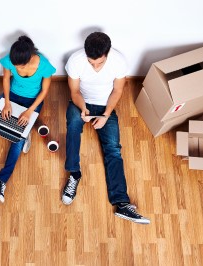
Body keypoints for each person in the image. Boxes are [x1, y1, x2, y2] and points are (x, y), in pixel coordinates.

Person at [61, 32, 150, 224]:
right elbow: (75, 91)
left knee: (113, 149)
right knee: (74, 127)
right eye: (91, 62)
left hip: (105, 107)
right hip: (81, 102)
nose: (94, 66)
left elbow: (118, 90)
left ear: (107, 54)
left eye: (98, 63)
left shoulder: (118, 61)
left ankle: (122, 203)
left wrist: (106, 115)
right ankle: (74, 174)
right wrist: (83, 108)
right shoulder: (76, 60)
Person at [0, 35, 56, 203]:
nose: (16, 69)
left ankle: (2, 180)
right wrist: (6, 102)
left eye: (19, 66)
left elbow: (44, 92)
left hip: (32, 103)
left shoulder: (45, 66)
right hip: (11, 96)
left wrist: (29, 111)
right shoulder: (9, 60)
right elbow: (6, 79)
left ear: (29, 59)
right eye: (15, 66)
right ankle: (20, 131)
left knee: (17, 142)